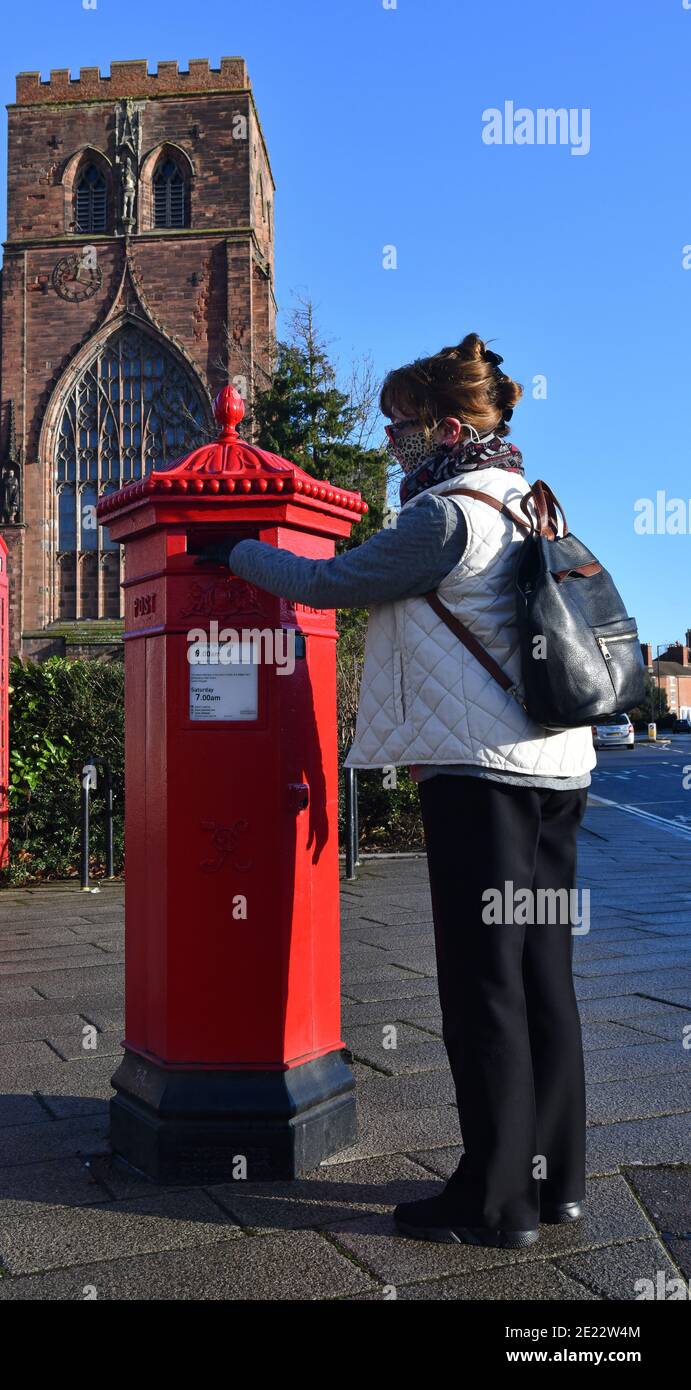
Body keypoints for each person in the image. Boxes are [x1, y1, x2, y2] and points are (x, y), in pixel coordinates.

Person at [198, 332, 595, 1248]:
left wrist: (234, 550)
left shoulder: (444, 513)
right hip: (557, 770)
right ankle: (554, 1181)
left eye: (398, 424)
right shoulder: (526, 498)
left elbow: (330, 580)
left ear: (446, 427)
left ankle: (492, 1202)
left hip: (480, 775)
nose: (387, 441)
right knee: (542, 976)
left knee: (481, 986)